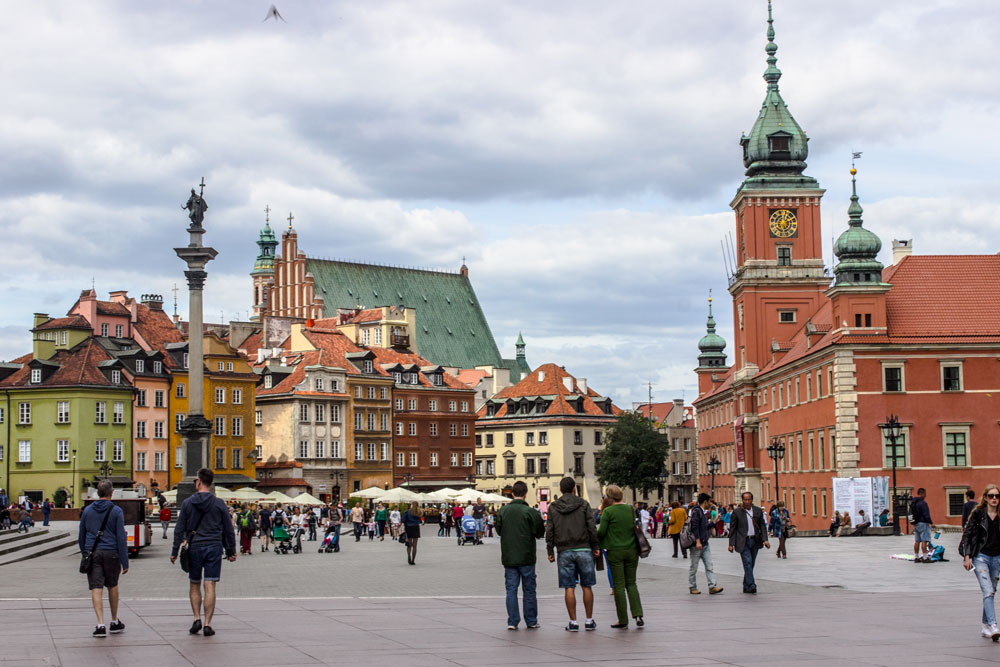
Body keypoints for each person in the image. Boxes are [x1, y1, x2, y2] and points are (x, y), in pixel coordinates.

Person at [170, 468, 237, 637]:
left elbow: (179, 529)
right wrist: (231, 550)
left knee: (194, 584)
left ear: (199, 482)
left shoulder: (187, 503)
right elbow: (228, 529)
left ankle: (196, 618)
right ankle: (207, 623)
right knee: (210, 584)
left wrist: (174, 551)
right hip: (214, 547)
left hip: (194, 547)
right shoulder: (219, 503)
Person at [545, 477, 600, 632]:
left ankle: (573, 622)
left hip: (564, 550)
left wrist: (550, 550)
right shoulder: (583, 504)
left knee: (569, 587)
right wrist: (595, 546)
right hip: (584, 548)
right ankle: (589, 621)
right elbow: (591, 526)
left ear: (561, 490)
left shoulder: (554, 506)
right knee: (587, 586)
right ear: (574, 489)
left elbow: (550, 530)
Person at [79, 480, 128, 638]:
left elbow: (81, 535)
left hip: (93, 553)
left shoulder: (87, 510)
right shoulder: (116, 511)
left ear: (97, 493)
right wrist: (124, 561)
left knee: (96, 588)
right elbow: (121, 537)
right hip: (111, 553)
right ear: (111, 493)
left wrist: (85, 553)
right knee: (112, 586)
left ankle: (100, 624)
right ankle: (114, 621)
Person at [496, 481, 545, 630]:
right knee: (529, 589)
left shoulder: (503, 511)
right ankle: (531, 620)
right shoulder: (530, 512)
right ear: (525, 494)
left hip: (509, 556)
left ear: (512, 494)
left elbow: (498, 530)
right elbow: (540, 532)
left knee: (511, 589)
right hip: (527, 555)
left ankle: (512, 621)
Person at [598, 485, 644, 629]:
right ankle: (638, 615)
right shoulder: (630, 509)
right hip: (632, 550)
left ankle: (622, 619)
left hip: (615, 551)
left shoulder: (608, 512)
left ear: (609, 497)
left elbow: (601, 532)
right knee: (631, 583)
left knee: (619, 586)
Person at [961, 484, 1000, 641]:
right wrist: (967, 556)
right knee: (988, 591)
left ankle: (985, 626)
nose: (994, 499)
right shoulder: (978, 513)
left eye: (997, 496)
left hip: (997, 557)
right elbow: (968, 534)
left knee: (991, 592)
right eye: (991, 496)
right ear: (985, 498)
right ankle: (993, 625)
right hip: (981, 556)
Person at [728, 491, 770, 594]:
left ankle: (746, 585)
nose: (747, 502)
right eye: (745, 500)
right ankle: (752, 585)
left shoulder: (758, 511)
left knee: (751, 564)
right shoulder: (737, 512)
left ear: (752, 500)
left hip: (755, 541)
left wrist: (765, 540)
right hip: (743, 541)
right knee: (747, 562)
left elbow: (762, 527)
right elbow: (732, 529)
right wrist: (731, 544)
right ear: (742, 500)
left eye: (749, 499)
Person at [689, 493, 723, 595]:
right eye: (709, 502)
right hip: (697, 544)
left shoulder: (702, 512)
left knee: (709, 566)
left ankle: (712, 586)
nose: (710, 504)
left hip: (705, 543)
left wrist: (715, 522)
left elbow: (705, 527)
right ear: (705, 502)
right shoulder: (696, 511)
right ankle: (692, 587)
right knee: (694, 567)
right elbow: (694, 527)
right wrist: (698, 541)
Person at [912, 488, 934, 562]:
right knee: (924, 540)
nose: (926, 495)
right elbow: (926, 514)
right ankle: (925, 557)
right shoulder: (923, 503)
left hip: (916, 523)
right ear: (922, 493)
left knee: (917, 540)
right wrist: (931, 522)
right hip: (923, 523)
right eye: (925, 493)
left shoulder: (914, 502)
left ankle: (916, 557)